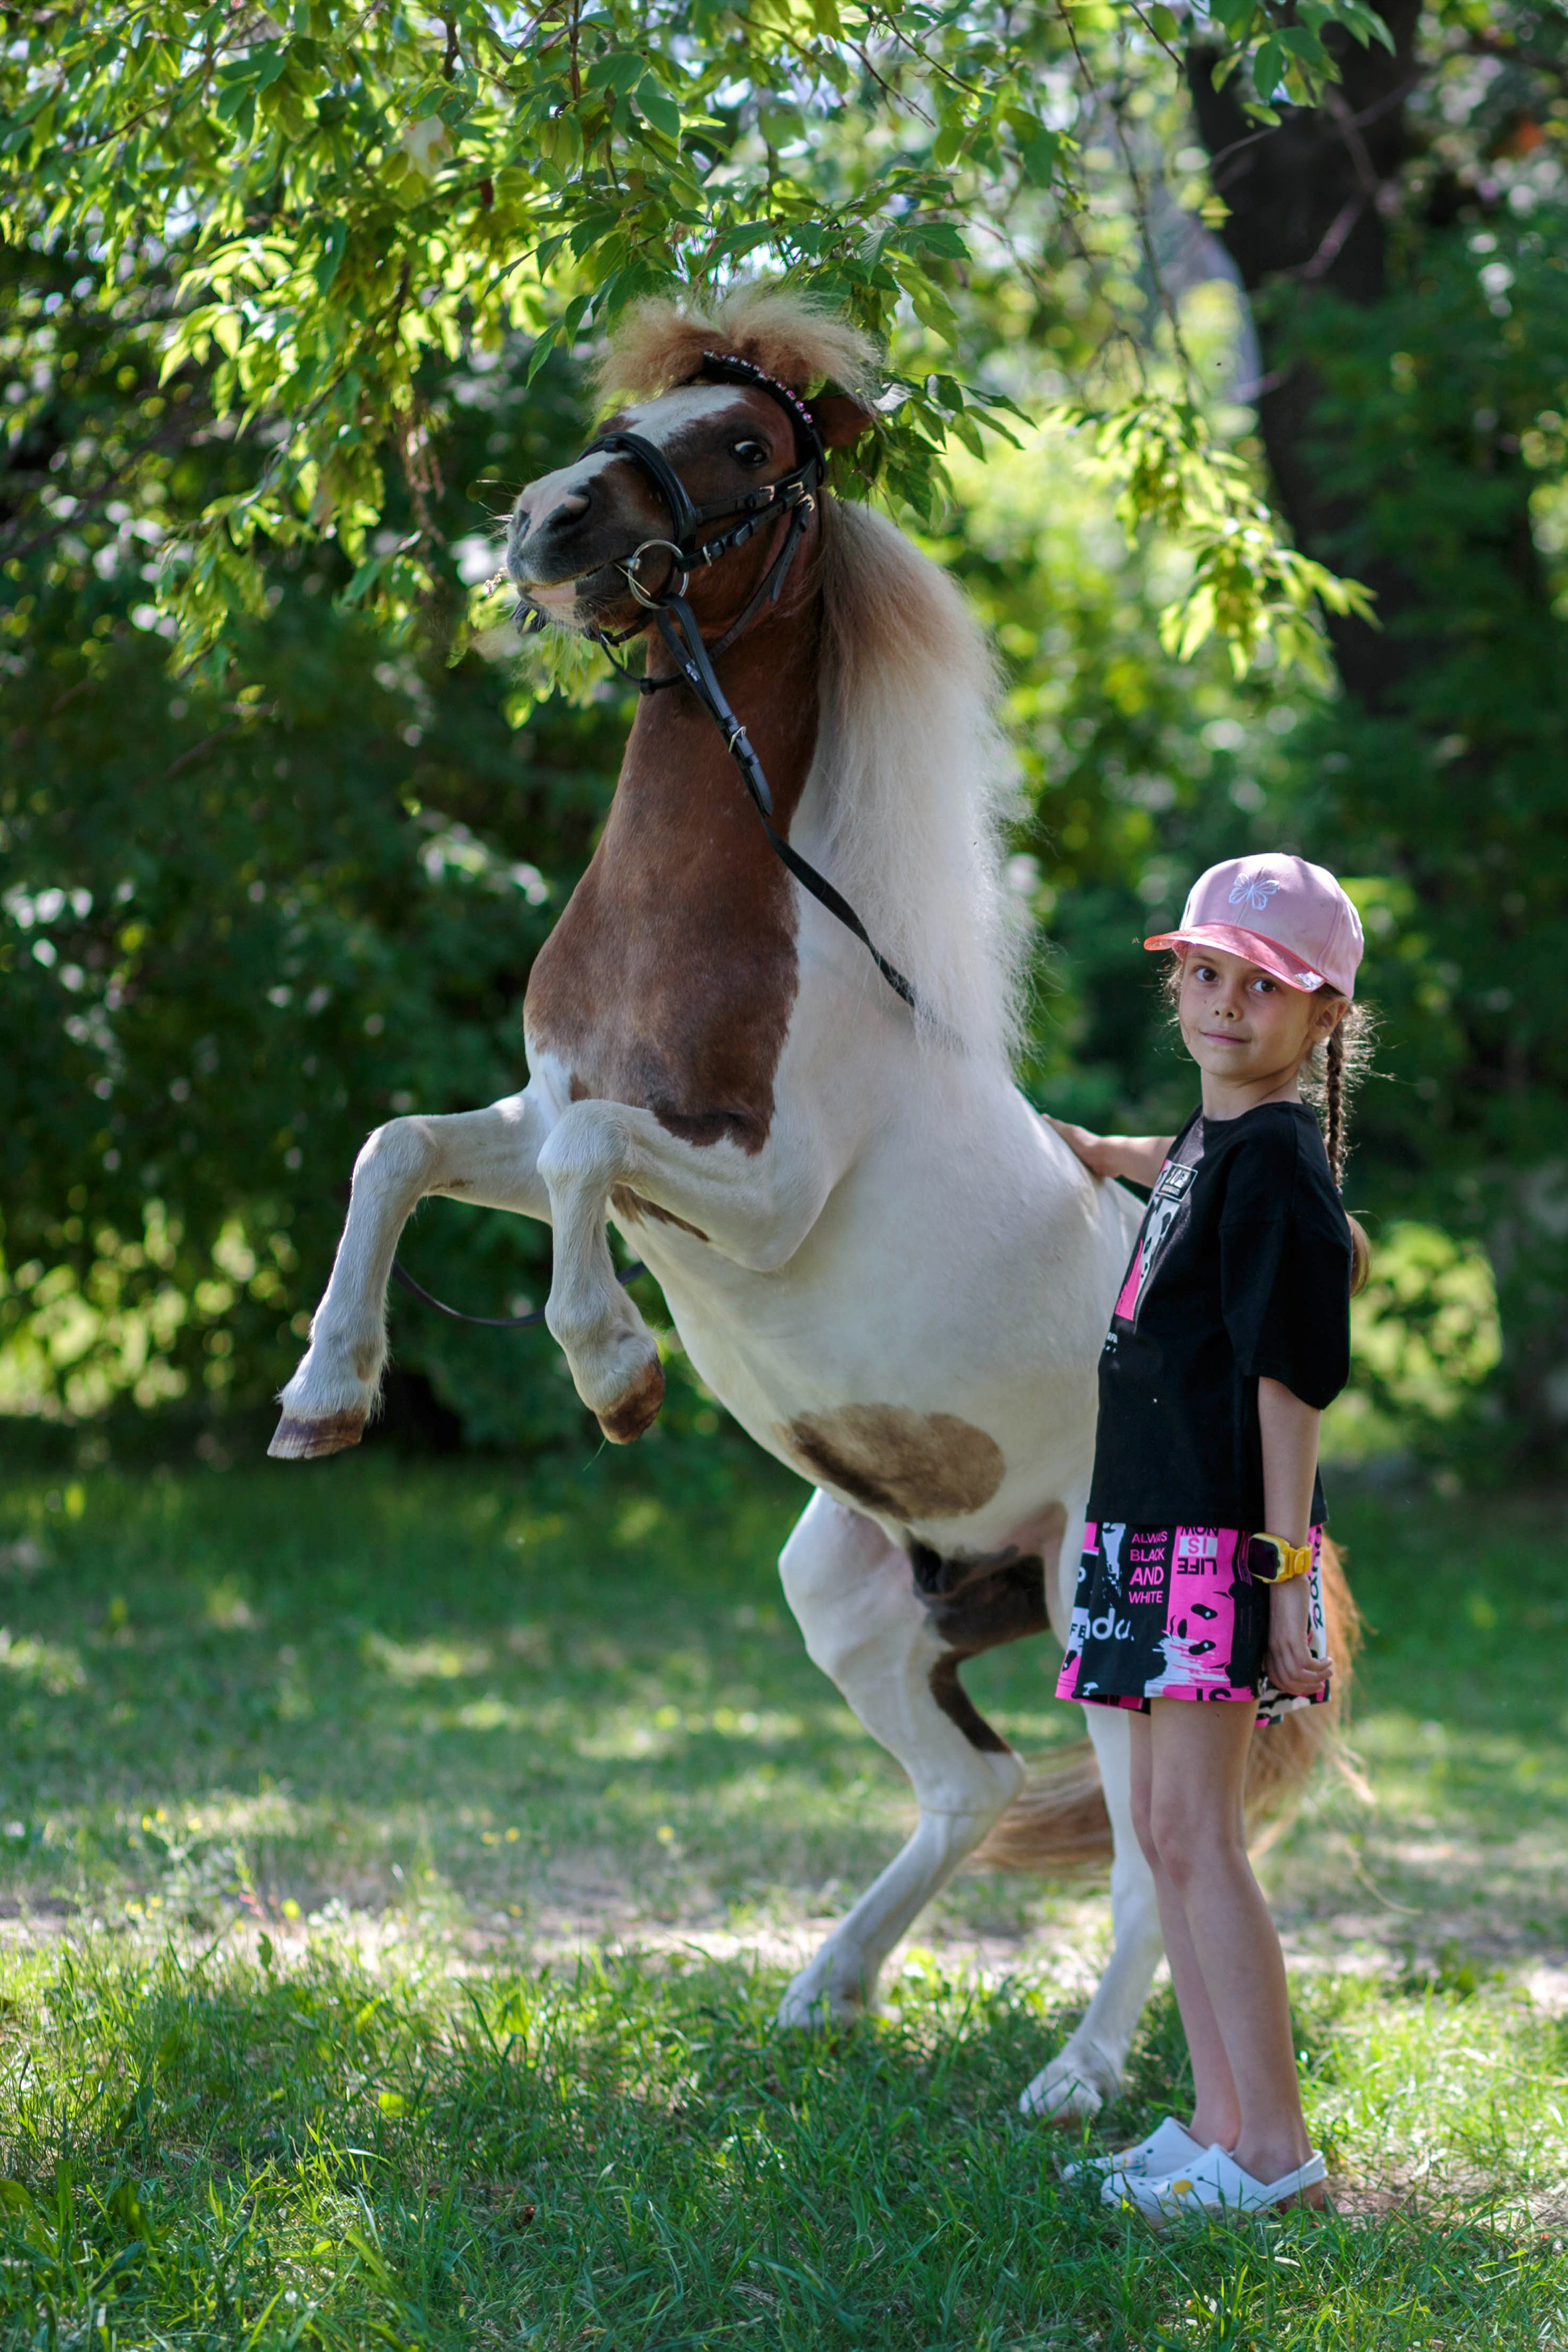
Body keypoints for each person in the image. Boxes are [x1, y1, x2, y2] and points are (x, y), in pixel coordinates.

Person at [1050, 852, 1372, 2223]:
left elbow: (1283, 1381)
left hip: (1207, 1547)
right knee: (1160, 1830)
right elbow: (1152, 1163)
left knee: (1197, 1834)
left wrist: (1284, 1574)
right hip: (1135, 1529)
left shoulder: (1280, 1171)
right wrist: (1075, 1148)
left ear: (1321, 1023)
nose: (1223, 1003)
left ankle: (1271, 2151)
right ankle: (1213, 2119)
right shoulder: (1210, 1145)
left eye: (1263, 987)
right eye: (1203, 973)